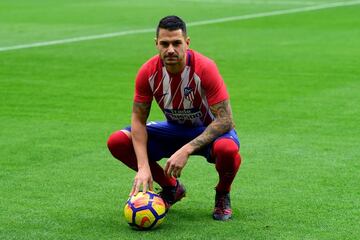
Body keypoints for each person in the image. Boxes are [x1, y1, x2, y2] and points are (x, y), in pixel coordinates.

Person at [107, 15, 242, 221]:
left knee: (228, 149)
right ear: (156, 44)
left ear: (187, 43)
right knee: (117, 141)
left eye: (176, 43)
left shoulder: (205, 67)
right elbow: (138, 120)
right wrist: (143, 167)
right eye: (164, 44)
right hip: (174, 130)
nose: (170, 49)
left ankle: (222, 193)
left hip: (206, 130)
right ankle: (172, 189)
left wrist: (186, 150)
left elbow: (226, 120)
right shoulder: (148, 71)